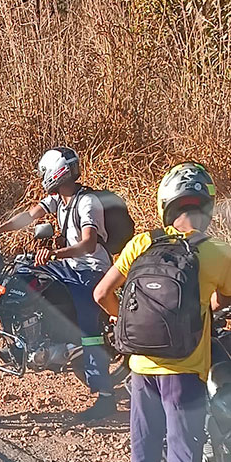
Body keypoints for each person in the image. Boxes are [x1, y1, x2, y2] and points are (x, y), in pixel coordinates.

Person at [94, 162, 231, 462]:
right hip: (184, 371)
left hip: (141, 367)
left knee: (144, 453)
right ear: (207, 207)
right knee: (183, 454)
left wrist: (123, 321)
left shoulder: (142, 243)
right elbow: (222, 301)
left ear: (165, 204)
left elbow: (101, 293)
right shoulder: (218, 251)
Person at [0, 147, 116, 421]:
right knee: (19, 280)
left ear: (57, 172)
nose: (43, 176)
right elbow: (29, 217)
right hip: (68, 266)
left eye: (45, 171)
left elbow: (89, 243)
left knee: (89, 332)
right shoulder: (59, 199)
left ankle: (106, 398)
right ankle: (25, 341)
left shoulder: (87, 202)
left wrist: (55, 254)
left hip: (91, 271)